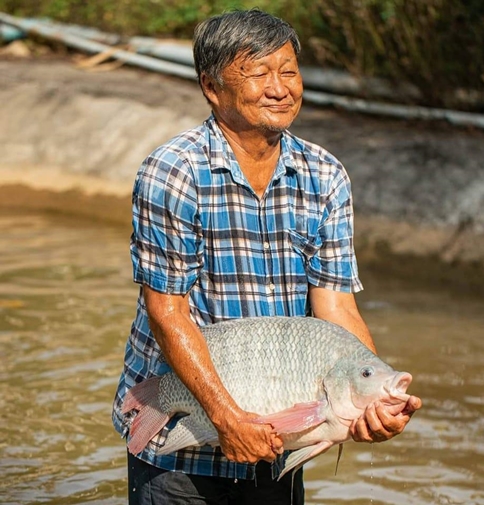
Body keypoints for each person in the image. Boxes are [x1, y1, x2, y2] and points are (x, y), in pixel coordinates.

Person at [112, 8, 422, 505]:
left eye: (289, 71)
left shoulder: (325, 175)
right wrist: (226, 418)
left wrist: (370, 399)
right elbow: (166, 311)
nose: (279, 88)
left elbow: (336, 306)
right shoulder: (175, 172)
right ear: (212, 87)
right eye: (258, 73)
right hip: (181, 448)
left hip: (283, 442)